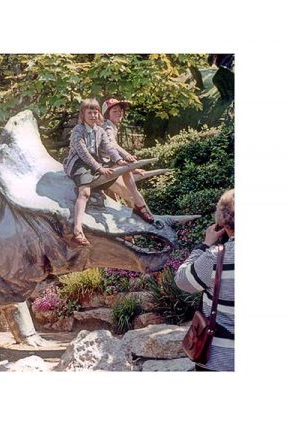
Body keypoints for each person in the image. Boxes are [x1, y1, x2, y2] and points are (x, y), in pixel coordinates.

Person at [63, 99, 154, 246]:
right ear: (83, 114)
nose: (93, 115)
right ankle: (77, 230)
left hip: (97, 163)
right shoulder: (77, 131)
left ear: (99, 113)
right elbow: (83, 153)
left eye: (95, 112)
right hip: (80, 164)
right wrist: (100, 168)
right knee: (84, 192)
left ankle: (139, 204)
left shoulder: (99, 130)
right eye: (89, 112)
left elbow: (109, 147)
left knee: (125, 169)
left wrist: (119, 161)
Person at [175, 189, 235, 371]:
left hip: (220, 360)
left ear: (222, 222)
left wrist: (205, 244)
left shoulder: (216, 258)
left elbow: (182, 280)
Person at [101, 98, 148, 207]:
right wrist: (127, 155)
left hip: (107, 164)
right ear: (107, 114)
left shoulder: (110, 125)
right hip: (102, 167)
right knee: (131, 196)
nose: (119, 113)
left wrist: (133, 169)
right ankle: (141, 211)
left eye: (120, 111)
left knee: (114, 199)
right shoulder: (107, 127)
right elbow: (112, 145)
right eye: (114, 111)